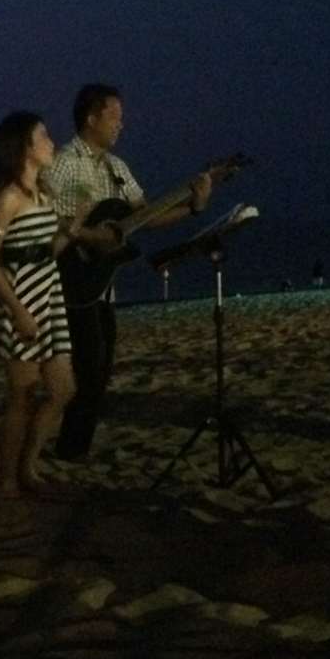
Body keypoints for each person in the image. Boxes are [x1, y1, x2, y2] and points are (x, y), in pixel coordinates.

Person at [44, 83, 213, 462]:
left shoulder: (117, 168)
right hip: (70, 276)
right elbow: (42, 214)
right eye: (114, 116)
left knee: (101, 368)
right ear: (91, 119)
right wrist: (90, 236)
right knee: (89, 365)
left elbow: (144, 217)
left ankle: (75, 449)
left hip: (101, 282)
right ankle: (69, 450)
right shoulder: (64, 162)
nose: (121, 124)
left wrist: (194, 206)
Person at [0, 111, 79, 498]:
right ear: (24, 146)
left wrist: (70, 231)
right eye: (44, 136)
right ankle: (8, 478)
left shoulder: (43, 193)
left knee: (63, 389)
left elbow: (45, 252)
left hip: (48, 297)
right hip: (20, 300)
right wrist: (18, 311)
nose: (51, 143)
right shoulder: (9, 197)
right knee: (22, 394)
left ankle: (28, 466)